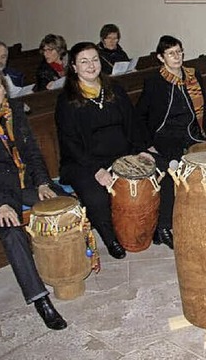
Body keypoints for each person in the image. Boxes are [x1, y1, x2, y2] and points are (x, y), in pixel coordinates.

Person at [0, 66, 67, 330]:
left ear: (5, 91)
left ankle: (64, 268)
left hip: (23, 183)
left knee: (66, 202)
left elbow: (33, 154)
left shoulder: (15, 115)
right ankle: (40, 300)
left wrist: (44, 183)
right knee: (12, 232)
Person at [55, 42, 148, 259]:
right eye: (84, 61)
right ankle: (111, 238)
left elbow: (132, 123)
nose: (91, 65)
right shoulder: (67, 100)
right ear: (74, 68)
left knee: (159, 171)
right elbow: (70, 143)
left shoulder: (114, 90)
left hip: (121, 155)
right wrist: (96, 169)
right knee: (95, 195)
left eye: (95, 59)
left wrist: (141, 150)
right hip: (83, 161)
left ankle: (150, 227)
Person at [135, 35, 206, 248]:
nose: (177, 57)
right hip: (165, 136)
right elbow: (140, 116)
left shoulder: (193, 76)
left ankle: (201, 217)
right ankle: (164, 226)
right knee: (175, 171)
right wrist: (146, 144)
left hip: (192, 133)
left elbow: (205, 108)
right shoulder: (154, 82)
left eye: (179, 52)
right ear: (161, 57)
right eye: (171, 53)